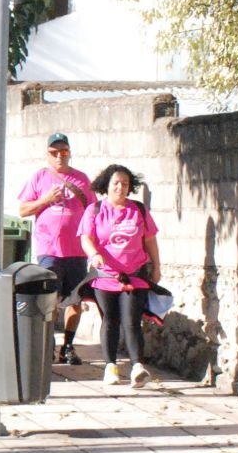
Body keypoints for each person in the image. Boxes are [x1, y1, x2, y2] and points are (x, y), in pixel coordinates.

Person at [78, 164, 162, 389]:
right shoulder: (95, 210)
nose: (120, 187)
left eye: (125, 184)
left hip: (134, 274)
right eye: (116, 183)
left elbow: (150, 240)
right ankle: (111, 367)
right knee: (110, 320)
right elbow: (86, 237)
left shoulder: (138, 210)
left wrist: (157, 266)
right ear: (106, 185)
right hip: (105, 276)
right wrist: (94, 254)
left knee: (132, 321)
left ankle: (137, 368)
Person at [18, 133, 94, 365]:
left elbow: (93, 211)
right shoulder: (40, 177)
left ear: (69, 153)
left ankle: (68, 347)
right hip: (49, 251)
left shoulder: (81, 179)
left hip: (76, 252)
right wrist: (46, 200)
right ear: (47, 154)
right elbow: (23, 210)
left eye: (64, 152)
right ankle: (47, 343)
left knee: (75, 301)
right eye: (54, 152)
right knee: (47, 300)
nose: (60, 156)